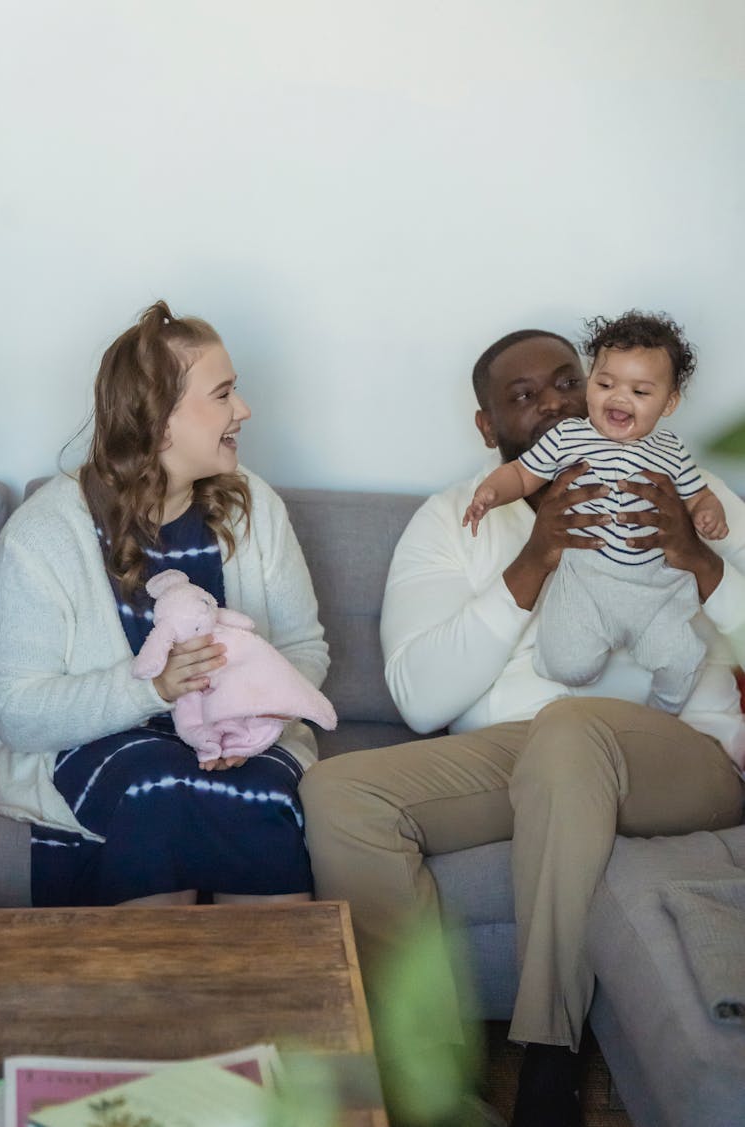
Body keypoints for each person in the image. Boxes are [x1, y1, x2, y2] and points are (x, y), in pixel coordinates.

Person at [299, 326, 745, 1127]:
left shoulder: (688, 489)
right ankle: (427, 1083)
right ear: (487, 427)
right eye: (523, 396)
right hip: (525, 751)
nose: (553, 405)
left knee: (572, 727)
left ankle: (548, 1055)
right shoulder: (455, 518)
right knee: (338, 791)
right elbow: (418, 698)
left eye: (566, 382)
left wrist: (699, 559)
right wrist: (533, 560)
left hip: (678, 752)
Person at [0, 300, 329, 908]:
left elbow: (304, 646)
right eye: (223, 394)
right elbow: (17, 713)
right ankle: (148, 1000)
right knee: (157, 785)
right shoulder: (44, 534)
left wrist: (248, 724)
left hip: (241, 742)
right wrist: (154, 690)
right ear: (159, 418)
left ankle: (279, 995)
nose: (244, 411)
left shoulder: (253, 506)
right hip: (98, 744)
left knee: (262, 792)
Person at [461, 312, 728, 714]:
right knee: (568, 665)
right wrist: (490, 493)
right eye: (605, 384)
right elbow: (521, 473)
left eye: (640, 392)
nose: (618, 399)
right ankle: (563, 673)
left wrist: (709, 514)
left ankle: (660, 716)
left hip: (656, 593)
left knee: (679, 659)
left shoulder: (671, 450)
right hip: (586, 585)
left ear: (669, 402)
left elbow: (698, 495)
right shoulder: (570, 437)